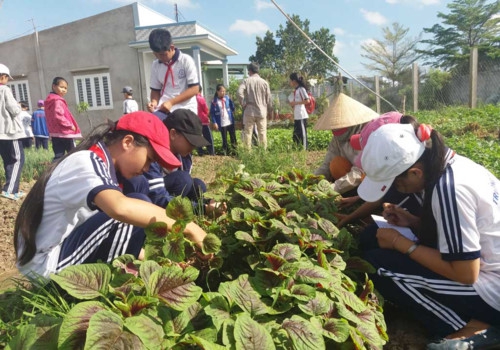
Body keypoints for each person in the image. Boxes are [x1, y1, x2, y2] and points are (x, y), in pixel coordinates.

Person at [14, 111, 208, 279]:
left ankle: (124, 272)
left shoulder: (98, 161)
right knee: (134, 206)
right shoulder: (86, 163)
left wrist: (153, 261)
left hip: (55, 253)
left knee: (136, 204)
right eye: (149, 159)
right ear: (127, 142)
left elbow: (100, 230)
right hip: (47, 267)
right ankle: (115, 282)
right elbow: (120, 209)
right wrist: (189, 227)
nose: (147, 168)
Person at [357, 122, 500, 349]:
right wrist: (412, 222)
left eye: (397, 185)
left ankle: (473, 327)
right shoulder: (449, 164)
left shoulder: (449, 190)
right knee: (372, 237)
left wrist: (398, 242)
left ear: (415, 172)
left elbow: (466, 274)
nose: (397, 191)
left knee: (378, 267)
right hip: (483, 264)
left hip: (492, 288)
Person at [122, 109, 222, 216]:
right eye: (190, 141)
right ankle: (169, 212)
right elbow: (157, 196)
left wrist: (207, 204)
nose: (193, 147)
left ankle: (182, 208)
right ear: (173, 134)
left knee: (198, 185)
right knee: (183, 179)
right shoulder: (153, 150)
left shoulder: (185, 156)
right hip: (152, 196)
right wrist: (200, 209)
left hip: (166, 191)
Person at [313, 93, 378, 195]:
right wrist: (313, 179)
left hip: (370, 176)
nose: (336, 131)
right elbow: (327, 163)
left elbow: (360, 171)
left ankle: (362, 195)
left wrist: (334, 187)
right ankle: (350, 191)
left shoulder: (365, 136)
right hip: (349, 174)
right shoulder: (336, 140)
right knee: (335, 163)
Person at [146, 28, 199, 120]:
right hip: (164, 109)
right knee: (150, 123)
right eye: (156, 54)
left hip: (186, 108)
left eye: (162, 54)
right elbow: (155, 90)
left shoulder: (185, 60)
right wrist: (154, 102)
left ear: (171, 48)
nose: (159, 58)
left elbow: (195, 89)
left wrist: (171, 102)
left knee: (179, 128)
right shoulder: (156, 65)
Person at [0, 63, 25, 200]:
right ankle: (9, 190)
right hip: (9, 132)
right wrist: (19, 106)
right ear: (3, 77)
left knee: (8, 160)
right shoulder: (4, 90)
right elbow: (14, 110)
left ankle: (13, 190)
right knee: (17, 160)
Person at [45, 77, 82, 161]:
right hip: (65, 132)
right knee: (73, 155)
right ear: (53, 86)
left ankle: (55, 172)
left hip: (55, 133)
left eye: (65, 88)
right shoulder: (57, 100)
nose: (64, 90)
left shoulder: (49, 100)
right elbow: (58, 115)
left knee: (58, 156)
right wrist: (70, 125)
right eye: (61, 87)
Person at [237, 62, 272, 149]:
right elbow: (269, 98)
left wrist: (243, 103)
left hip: (249, 111)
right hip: (261, 111)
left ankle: (248, 153)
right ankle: (263, 152)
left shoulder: (246, 81)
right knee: (262, 133)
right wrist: (269, 109)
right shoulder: (264, 82)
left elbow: (239, 92)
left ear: (250, 71)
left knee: (248, 132)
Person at [210, 84, 237, 155]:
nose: (223, 93)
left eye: (224, 91)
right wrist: (214, 122)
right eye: (222, 91)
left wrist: (233, 106)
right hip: (222, 122)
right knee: (224, 139)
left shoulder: (227, 98)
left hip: (229, 120)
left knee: (233, 137)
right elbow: (212, 113)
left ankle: (235, 152)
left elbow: (232, 107)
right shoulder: (214, 101)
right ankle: (225, 153)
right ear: (217, 91)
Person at [288, 73, 309, 150]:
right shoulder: (296, 90)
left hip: (301, 115)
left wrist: (295, 103)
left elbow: (307, 100)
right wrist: (293, 105)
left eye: (290, 80)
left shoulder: (301, 89)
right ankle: (297, 149)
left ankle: (304, 149)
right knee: (296, 134)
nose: (290, 82)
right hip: (297, 115)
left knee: (302, 134)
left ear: (294, 81)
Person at [196, 84, 214, 156]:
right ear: (200, 91)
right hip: (203, 120)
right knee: (208, 136)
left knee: (198, 136)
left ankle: (200, 152)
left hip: (196, 121)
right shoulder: (200, 98)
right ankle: (211, 152)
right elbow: (205, 110)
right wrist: (208, 115)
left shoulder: (192, 99)